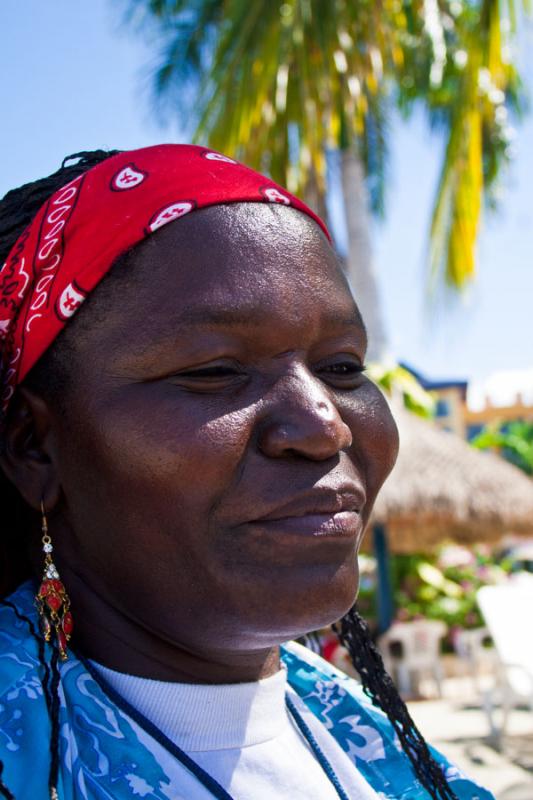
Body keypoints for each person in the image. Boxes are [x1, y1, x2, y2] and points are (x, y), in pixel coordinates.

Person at [0, 145, 492, 800]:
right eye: (214, 371)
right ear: (35, 445)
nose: (324, 424)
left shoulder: (355, 730)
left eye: (343, 367)